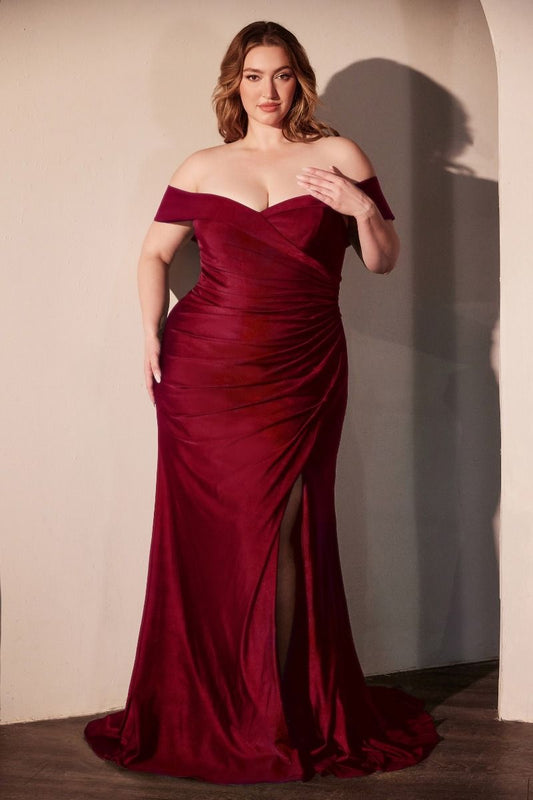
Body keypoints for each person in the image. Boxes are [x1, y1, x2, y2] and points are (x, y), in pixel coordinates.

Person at [84, 20, 441, 784]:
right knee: (213, 543)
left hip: (301, 371)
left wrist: (359, 207)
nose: (267, 90)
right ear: (234, 84)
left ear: (298, 80)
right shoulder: (202, 165)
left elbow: (381, 262)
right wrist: (149, 333)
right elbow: (153, 253)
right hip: (203, 372)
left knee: (282, 534)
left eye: (280, 75)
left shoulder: (338, 155)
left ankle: (274, 709)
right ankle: (213, 706)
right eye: (253, 76)